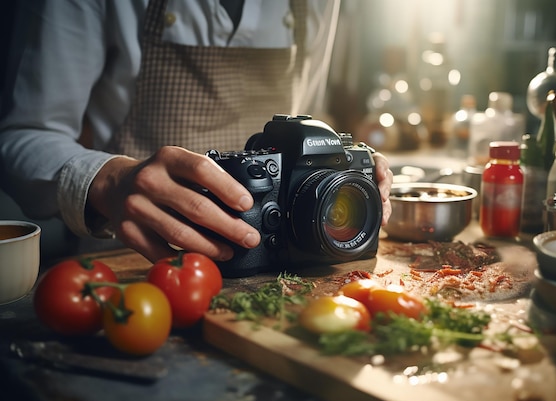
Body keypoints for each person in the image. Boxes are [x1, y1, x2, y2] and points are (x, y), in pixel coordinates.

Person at [0, 0, 392, 265]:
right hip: (139, 267)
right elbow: (21, 136)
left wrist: (340, 171)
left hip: (280, 268)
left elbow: (304, 113)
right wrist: (111, 182)